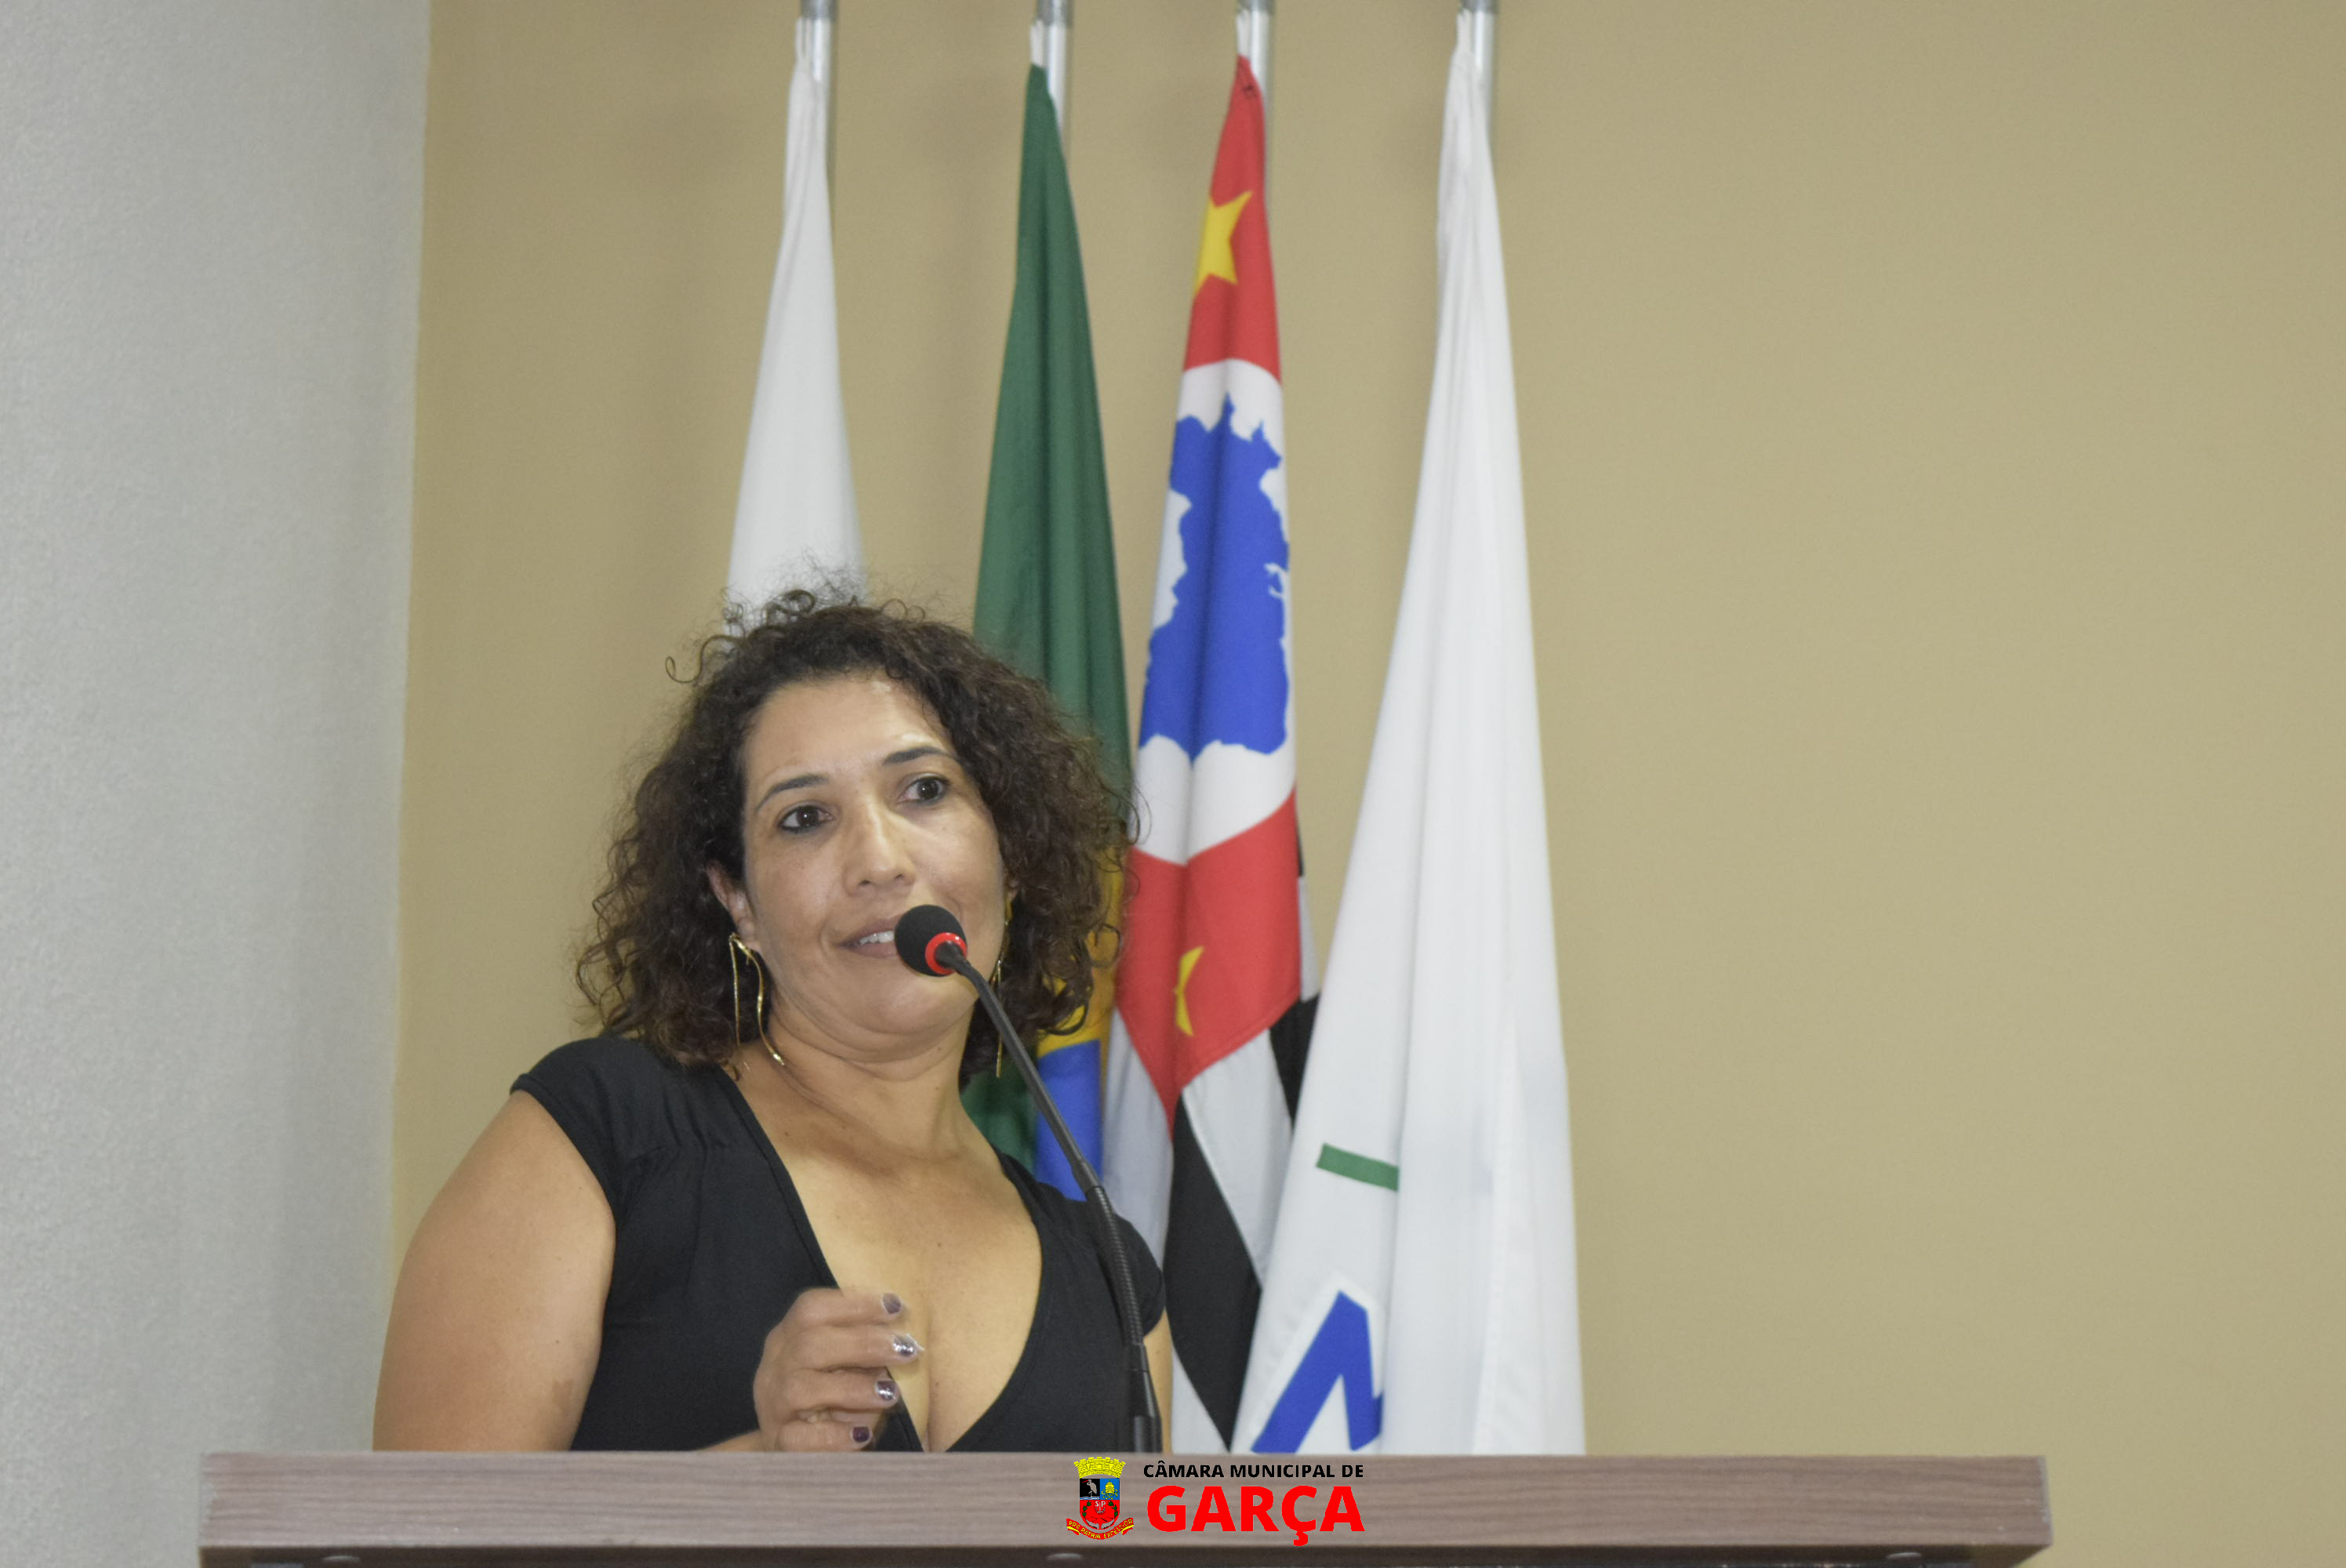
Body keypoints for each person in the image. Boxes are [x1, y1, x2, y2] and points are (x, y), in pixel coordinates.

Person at [373, 591, 1171, 1452]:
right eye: (804, 818)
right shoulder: (604, 1135)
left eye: (925, 790)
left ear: (1010, 856)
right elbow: (420, 1524)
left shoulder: (1113, 1279)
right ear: (739, 902)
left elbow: (1130, 1519)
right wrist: (753, 1470)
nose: (879, 861)